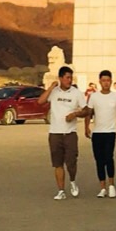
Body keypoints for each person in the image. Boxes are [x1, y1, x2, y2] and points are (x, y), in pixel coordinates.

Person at [81, 69, 116, 198]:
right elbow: (88, 113)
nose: (106, 83)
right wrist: (86, 127)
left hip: (110, 132)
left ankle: (111, 185)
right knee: (99, 160)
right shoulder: (94, 96)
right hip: (97, 133)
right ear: (100, 82)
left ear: (111, 81)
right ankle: (102, 187)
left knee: (108, 157)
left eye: (108, 80)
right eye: (103, 80)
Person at [44, 64, 85, 201]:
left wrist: (75, 114)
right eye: (67, 77)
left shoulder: (76, 93)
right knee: (58, 163)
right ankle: (61, 190)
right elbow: (40, 101)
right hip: (55, 133)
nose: (69, 80)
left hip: (70, 133)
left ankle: (72, 181)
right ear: (60, 78)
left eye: (71, 78)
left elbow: (86, 110)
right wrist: (51, 87)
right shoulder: (54, 92)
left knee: (71, 162)